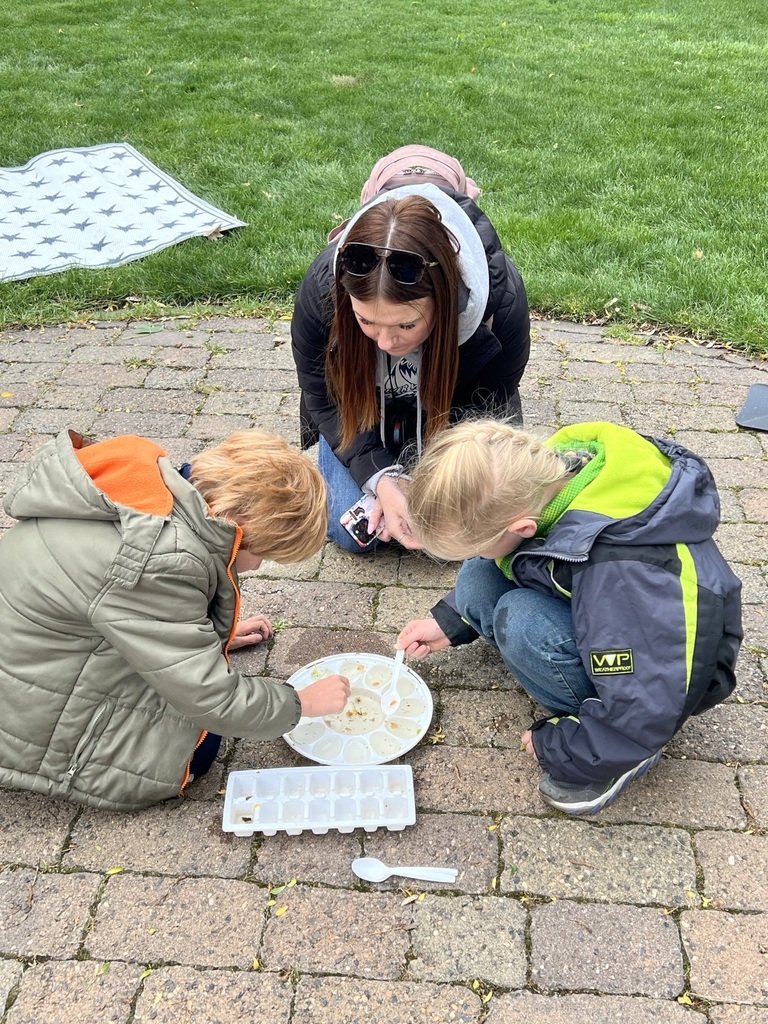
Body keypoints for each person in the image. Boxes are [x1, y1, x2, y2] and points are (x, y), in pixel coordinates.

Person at [397, 418, 743, 815]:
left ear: (523, 527)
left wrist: (567, 748)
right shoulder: (551, 476)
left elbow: (650, 694)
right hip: (623, 624)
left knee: (521, 618)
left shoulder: (619, 573)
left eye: (477, 543)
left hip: (660, 679)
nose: (475, 553)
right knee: (479, 574)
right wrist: (453, 619)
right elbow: (532, 559)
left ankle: (624, 758)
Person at [0, 427, 350, 811]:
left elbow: (125, 610)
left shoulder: (152, 487)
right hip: (23, 710)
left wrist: (206, 636)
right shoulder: (163, 560)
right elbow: (216, 700)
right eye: (263, 553)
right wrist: (301, 703)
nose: (258, 565)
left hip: (32, 656)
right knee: (201, 747)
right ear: (241, 524)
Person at [291, 144, 530, 553]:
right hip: (360, 417)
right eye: (366, 322)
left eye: (406, 325)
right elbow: (321, 396)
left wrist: (431, 487)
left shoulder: (502, 303)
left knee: (467, 529)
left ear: (447, 303)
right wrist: (381, 477)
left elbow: (484, 410)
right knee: (351, 535)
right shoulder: (320, 292)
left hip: (453, 418)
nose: (386, 343)